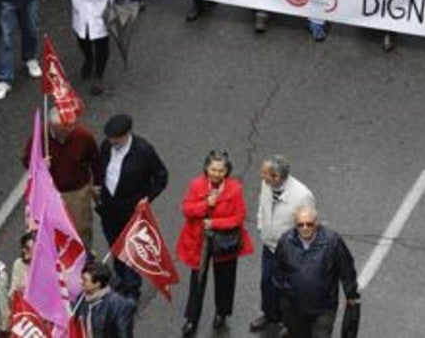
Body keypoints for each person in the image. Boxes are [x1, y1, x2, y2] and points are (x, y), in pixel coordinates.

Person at [177, 152, 253, 336]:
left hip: (225, 240)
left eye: (221, 170)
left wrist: (215, 223)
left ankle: (222, 313)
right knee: (198, 280)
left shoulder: (235, 189)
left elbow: (239, 217)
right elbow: (186, 210)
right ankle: (192, 319)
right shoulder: (196, 185)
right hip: (200, 241)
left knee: (225, 279)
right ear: (206, 169)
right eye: (213, 169)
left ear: (227, 171)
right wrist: (205, 204)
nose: (216, 174)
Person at [95, 114, 169, 299]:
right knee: (116, 246)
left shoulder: (143, 151)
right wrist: (97, 186)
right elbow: (101, 168)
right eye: (110, 137)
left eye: (116, 138)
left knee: (130, 248)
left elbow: (161, 176)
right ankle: (121, 277)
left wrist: (147, 198)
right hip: (109, 208)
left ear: (127, 134)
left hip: (131, 210)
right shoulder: (106, 146)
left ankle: (132, 287)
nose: (112, 141)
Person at [250, 155, 315, 334]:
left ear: (277, 177)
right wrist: (261, 226)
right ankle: (270, 314)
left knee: (288, 289)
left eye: (264, 173)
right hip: (269, 246)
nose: (260, 175)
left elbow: (308, 227)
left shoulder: (303, 196)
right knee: (267, 283)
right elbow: (261, 208)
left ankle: (288, 322)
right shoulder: (267, 184)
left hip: (290, 252)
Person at [273, 206, 359, 338]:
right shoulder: (285, 241)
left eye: (309, 224)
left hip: (323, 308)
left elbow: (346, 269)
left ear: (316, 223)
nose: (305, 227)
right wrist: (287, 292)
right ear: (295, 225)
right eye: (300, 224)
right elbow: (278, 270)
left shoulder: (332, 242)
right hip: (295, 308)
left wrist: (351, 294)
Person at [21, 108, 101, 246]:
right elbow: (27, 160)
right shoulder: (40, 138)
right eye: (64, 128)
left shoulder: (83, 135)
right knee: (55, 228)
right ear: (52, 127)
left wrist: (96, 184)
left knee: (81, 227)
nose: (69, 130)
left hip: (76, 192)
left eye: (71, 125)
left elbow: (95, 159)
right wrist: (40, 165)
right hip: (51, 192)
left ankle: (86, 255)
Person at [74, 262, 136, 337]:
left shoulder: (118, 305)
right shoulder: (81, 299)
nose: (81, 282)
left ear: (97, 284)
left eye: (85, 280)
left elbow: (124, 334)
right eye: (82, 278)